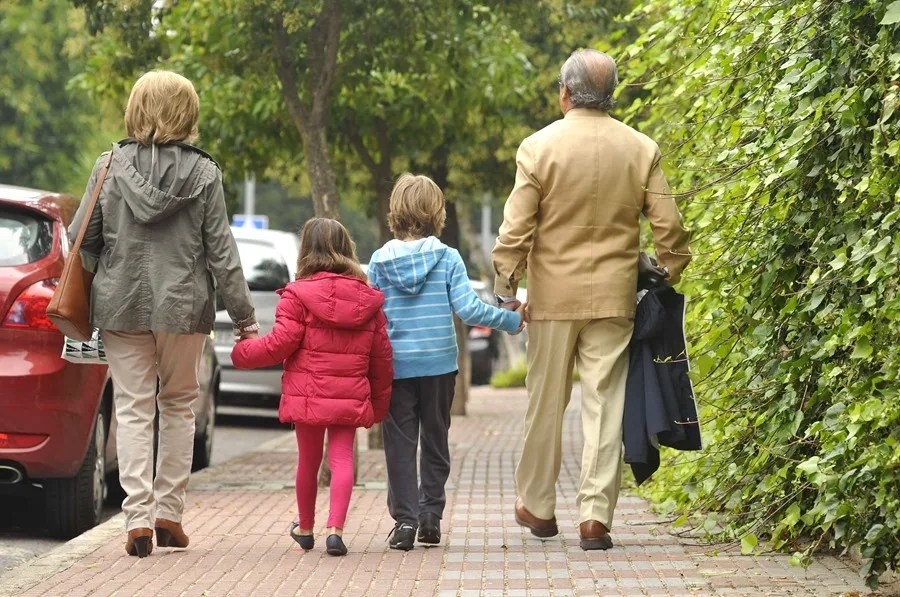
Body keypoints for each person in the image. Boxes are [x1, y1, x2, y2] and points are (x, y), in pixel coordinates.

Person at [491, 49, 692, 550]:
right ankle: (595, 517)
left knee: (545, 403)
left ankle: (538, 507)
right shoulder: (641, 148)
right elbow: (670, 230)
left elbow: (516, 229)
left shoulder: (537, 148)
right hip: (614, 298)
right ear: (613, 95)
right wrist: (663, 272)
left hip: (553, 298)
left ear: (564, 92)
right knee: (605, 403)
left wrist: (506, 287)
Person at [69, 71, 258, 558]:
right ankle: (169, 513)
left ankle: (136, 520)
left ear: (136, 109)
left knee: (133, 406)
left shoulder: (109, 165)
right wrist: (243, 316)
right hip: (183, 305)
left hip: (121, 302)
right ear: (187, 113)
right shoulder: (205, 173)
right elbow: (221, 250)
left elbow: (81, 239)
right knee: (177, 404)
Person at [368, 173, 525, 551]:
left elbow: (371, 315)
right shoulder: (447, 256)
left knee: (400, 444)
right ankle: (430, 517)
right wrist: (511, 320)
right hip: (439, 365)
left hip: (397, 366)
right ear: (437, 212)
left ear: (396, 211)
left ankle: (404, 522)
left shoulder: (379, 261)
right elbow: (469, 309)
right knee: (435, 440)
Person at [231, 218, 393, 556]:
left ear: (306, 250)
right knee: (342, 458)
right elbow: (381, 359)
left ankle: (305, 528)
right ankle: (335, 529)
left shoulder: (297, 295)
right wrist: (378, 405)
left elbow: (280, 344)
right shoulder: (369, 300)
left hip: (309, 394)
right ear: (347, 248)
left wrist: (243, 351)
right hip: (349, 395)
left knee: (308, 460)